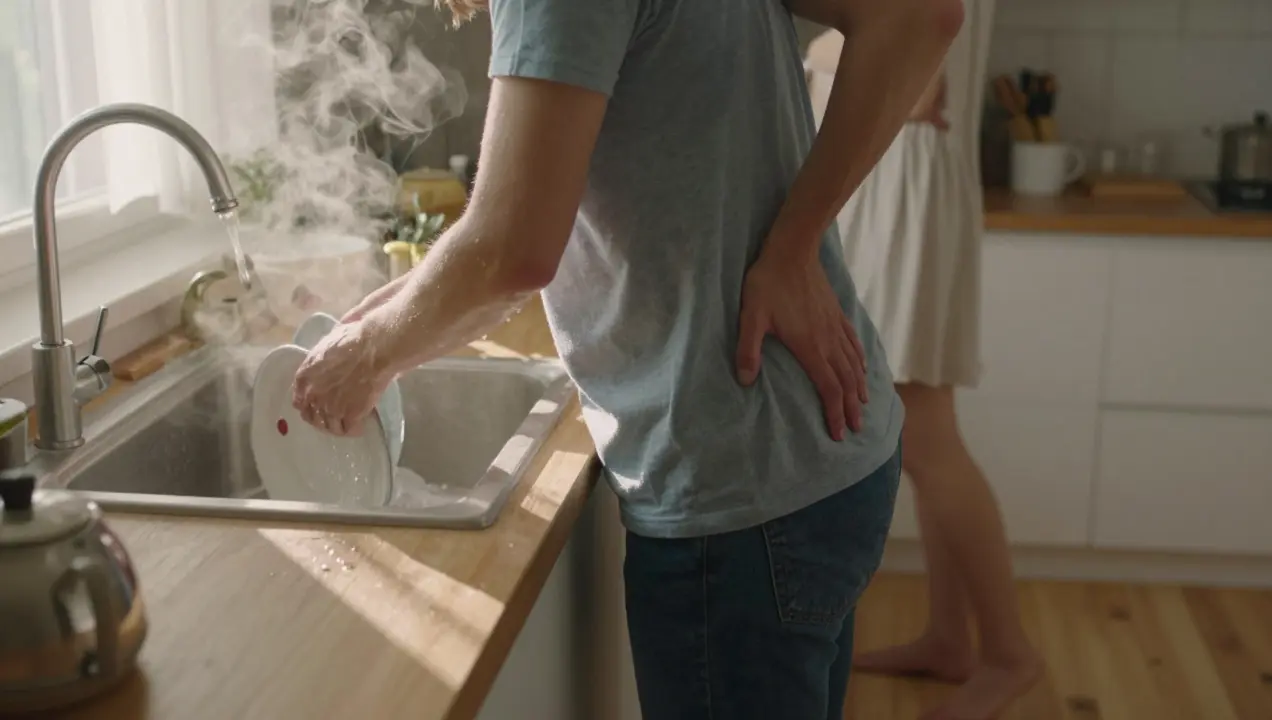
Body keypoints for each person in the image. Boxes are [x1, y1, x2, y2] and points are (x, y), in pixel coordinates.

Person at [292, 0, 961, 717]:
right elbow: (923, 15)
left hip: (736, 488)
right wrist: (793, 243)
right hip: (825, 447)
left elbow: (513, 249)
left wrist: (369, 356)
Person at [808, 3, 1043, 719]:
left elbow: (915, 86)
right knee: (928, 434)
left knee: (927, 440)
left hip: (902, 193)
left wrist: (813, 50)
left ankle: (1009, 654)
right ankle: (950, 639)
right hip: (905, 188)